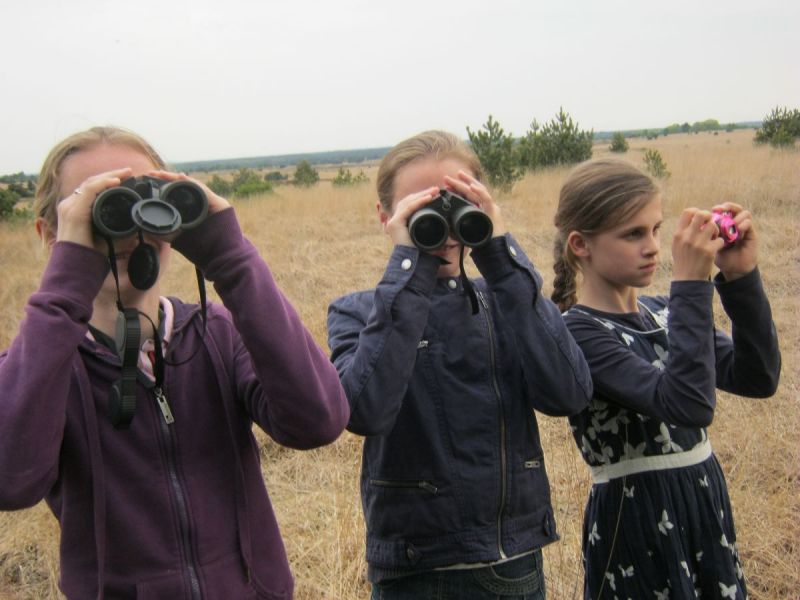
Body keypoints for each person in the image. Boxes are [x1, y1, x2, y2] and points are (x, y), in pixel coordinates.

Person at [0, 126, 350, 599]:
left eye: (141, 200)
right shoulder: (39, 367)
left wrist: (231, 258)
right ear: (50, 234)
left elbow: (319, 420)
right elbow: (11, 480)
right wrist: (64, 289)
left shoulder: (218, 334)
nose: (127, 226)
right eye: (99, 207)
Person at [327, 130, 593, 599]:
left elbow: (569, 392)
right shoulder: (358, 312)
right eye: (422, 208)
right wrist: (411, 264)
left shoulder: (506, 298)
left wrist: (499, 252)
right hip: (414, 568)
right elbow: (366, 409)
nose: (444, 226)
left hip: (512, 559)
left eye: (458, 203)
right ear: (386, 217)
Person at [550, 158, 781, 599]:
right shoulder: (578, 333)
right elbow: (688, 405)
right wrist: (691, 283)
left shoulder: (664, 311)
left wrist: (740, 276)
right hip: (638, 518)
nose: (653, 247)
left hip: (702, 505)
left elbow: (758, 377)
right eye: (633, 234)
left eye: (656, 229)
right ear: (581, 244)